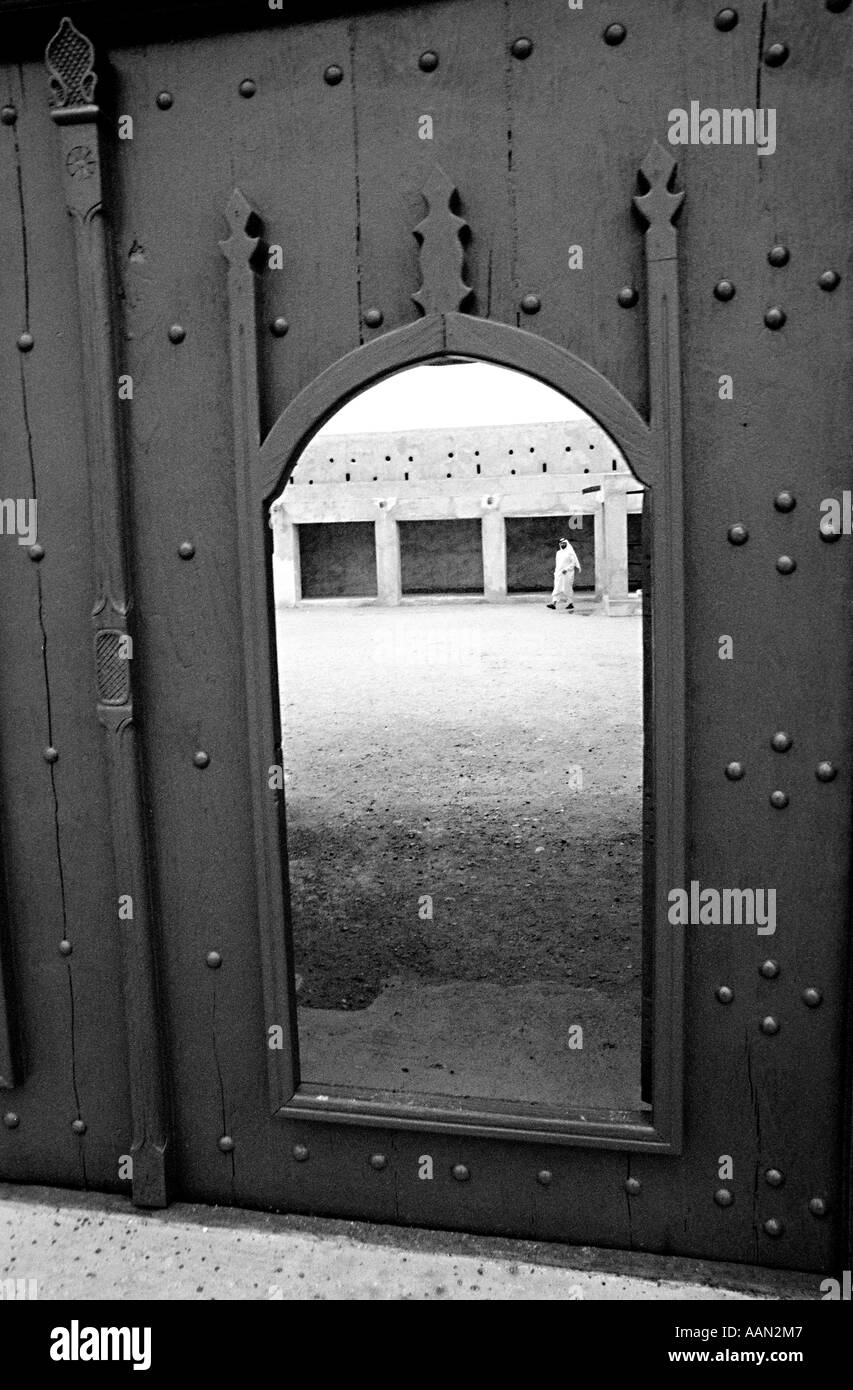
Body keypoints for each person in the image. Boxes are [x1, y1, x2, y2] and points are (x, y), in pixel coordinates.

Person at [547, 536, 581, 611]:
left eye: (564, 543)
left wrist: (566, 569)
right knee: (557, 587)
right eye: (561, 543)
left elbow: (573, 563)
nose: (562, 545)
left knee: (567, 588)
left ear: (566, 544)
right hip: (559, 573)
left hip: (567, 574)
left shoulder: (570, 553)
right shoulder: (558, 553)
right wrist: (556, 572)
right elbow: (558, 564)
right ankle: (553, 603)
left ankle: (570, 603)